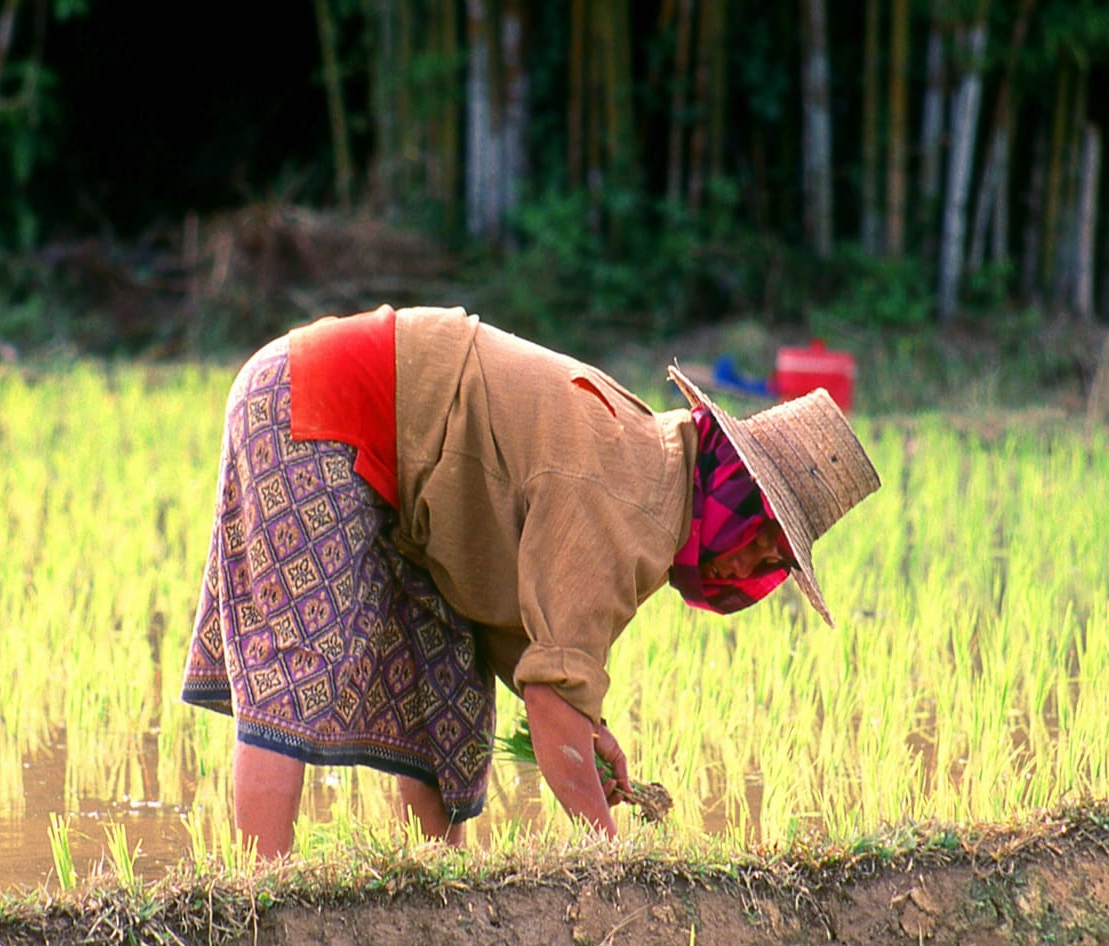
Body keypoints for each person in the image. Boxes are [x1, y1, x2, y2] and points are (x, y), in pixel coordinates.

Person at [182, 305, 880, 858]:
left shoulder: (654, 475)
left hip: (410, 477)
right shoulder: (633, 502)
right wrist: (614, 865)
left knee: (448, 691)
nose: (746, 571)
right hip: (318, 403)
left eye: (771, 563)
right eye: (760, 544)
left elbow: (542, 638)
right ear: (733, 500)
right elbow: (552, 696)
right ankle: (258, 911)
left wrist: (590, 727)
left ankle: (424, 905)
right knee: (303, 664)